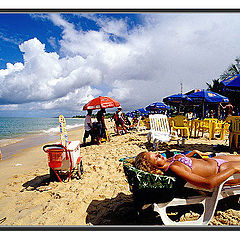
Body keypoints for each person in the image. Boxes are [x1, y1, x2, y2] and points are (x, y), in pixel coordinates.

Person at [134, 150, 240, 190]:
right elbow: (208, 183)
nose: (159, 154)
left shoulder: (170, 160)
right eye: (156, 157)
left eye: (156, 153)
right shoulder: (174, 168)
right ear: (152, 167)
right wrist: (233, 169)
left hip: (218, 160)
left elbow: (186, 161)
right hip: (222, 170)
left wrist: (192, 153)